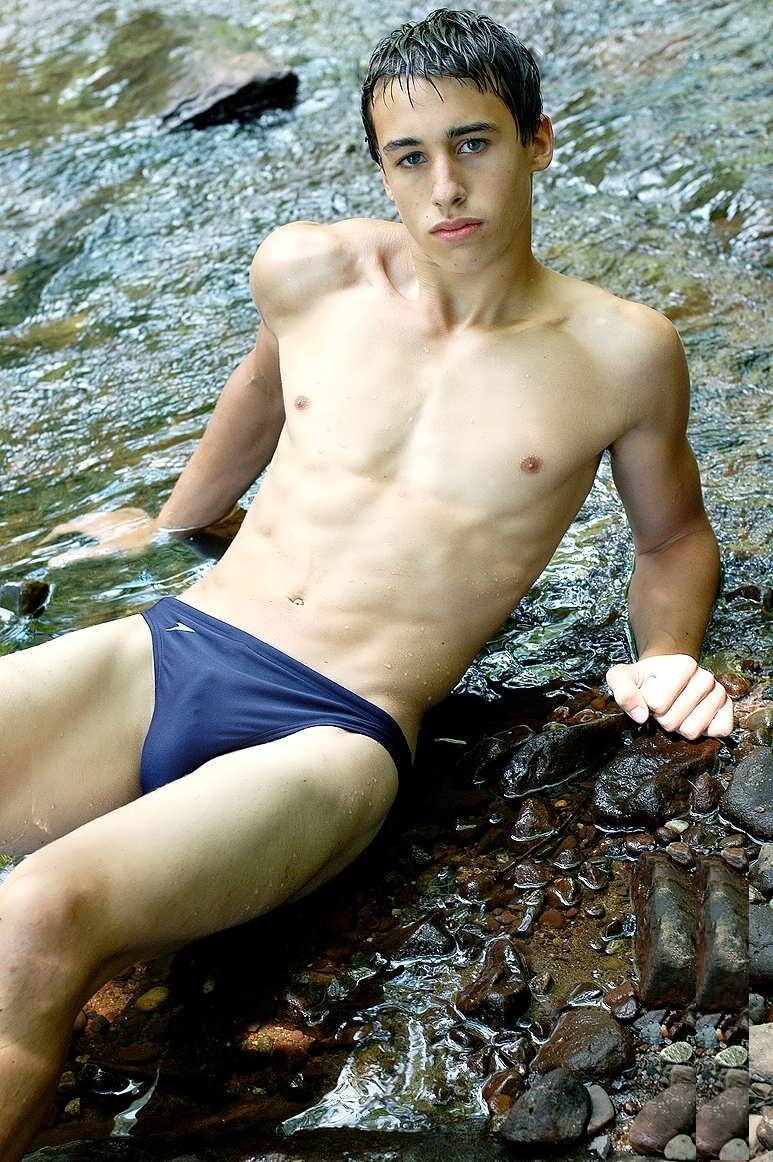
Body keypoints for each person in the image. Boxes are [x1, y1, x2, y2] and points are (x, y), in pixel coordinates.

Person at [0, 8, 733, 1157]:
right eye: (409, 155)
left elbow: (672, 537)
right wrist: (165, 527)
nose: (444, 186)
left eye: (473, 143)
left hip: (332, 732)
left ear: (537, 141)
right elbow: (257, 395)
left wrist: (665, 656)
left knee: (38, 913)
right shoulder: (309, 272)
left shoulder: (618, 352)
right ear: (379, 167)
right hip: (172, 647)